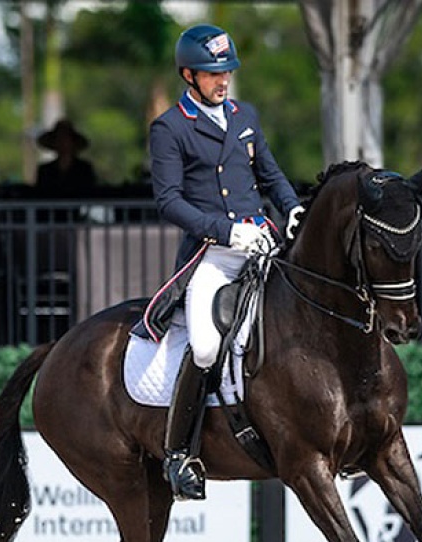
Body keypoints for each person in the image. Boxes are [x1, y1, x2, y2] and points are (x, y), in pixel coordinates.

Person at [145, 23, 304, 501]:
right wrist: (223, 229)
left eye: (227, 71)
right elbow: (169, 201)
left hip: (261, 244)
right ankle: (180, 455)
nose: (224, 80)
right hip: (211, 255)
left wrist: (292, 206)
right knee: (208, 346)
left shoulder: (244, 115)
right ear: (189, 75)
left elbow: (269, 174)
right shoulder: (170, 127)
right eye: (214, 74)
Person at [35, 119, 98, 192]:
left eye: (66, 139)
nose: (62, 142)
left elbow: (90, 193)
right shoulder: (45, 171)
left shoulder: (84, 169)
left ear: (73, 142)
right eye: (59, 138)